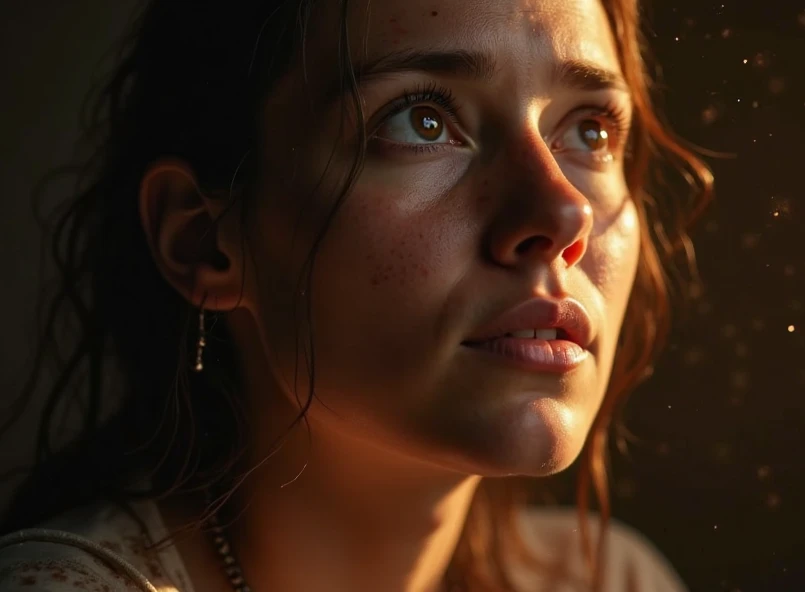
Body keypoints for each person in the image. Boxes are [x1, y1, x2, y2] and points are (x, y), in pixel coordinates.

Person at [0, 0, 713, 589]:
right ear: (207, 243)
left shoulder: (605, 580)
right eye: (422, 119)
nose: (562, 216)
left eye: (590, 130)